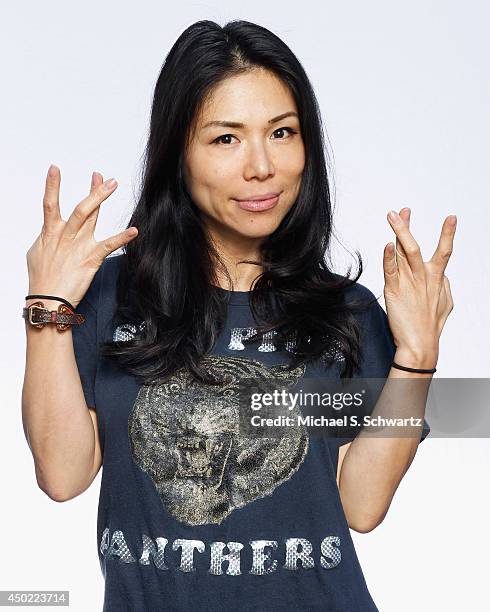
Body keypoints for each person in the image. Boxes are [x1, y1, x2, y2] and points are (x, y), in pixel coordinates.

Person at [22, 19, 456, 612]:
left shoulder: (346, 313)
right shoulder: (112, 298)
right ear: (179, 151)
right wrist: (48, 306)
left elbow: (362, 506)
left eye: (283, 132)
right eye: (226, 138)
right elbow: (62, 475)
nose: (262, 167)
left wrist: (417, 360)